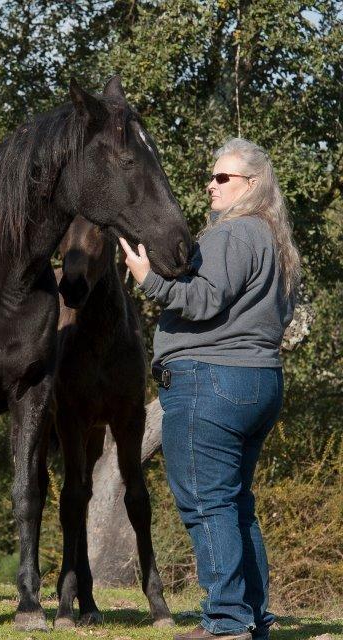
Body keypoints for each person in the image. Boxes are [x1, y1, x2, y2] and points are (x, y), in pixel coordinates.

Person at [119, 138, 300, 640]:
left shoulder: (233, 234)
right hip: (260, 380)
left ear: (253, 185)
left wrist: (147, 278)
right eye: (212, 176)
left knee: (206, 504)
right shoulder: (275, 242)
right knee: (235, 502)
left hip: (209, 381)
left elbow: (202, 300)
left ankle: (226, 623)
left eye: (224, 178)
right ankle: (253, 618)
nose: (211, 185)